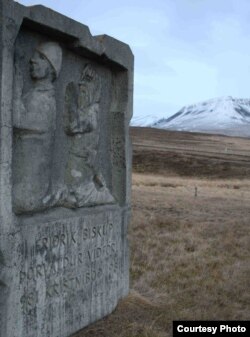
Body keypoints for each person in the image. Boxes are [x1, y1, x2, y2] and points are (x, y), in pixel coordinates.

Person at [13, 42, 62, 213]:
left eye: (41, 57)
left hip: (29, 192)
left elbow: (18, 122)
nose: (32, 60)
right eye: (34, 56)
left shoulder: (45, 101)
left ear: (51, 67)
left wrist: (16, 86)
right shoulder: (33, 95)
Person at [63, 64, 115, 207]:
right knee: (72, 193)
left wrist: (71, 98)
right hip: (78, 164)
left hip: (81, 167)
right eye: (81, 80)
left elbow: (72, 125)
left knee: (78, 197)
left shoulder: (92, 113)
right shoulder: (87, 109)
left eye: (86, 80)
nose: (81, 84)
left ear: (95, 87)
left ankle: (103, 194)